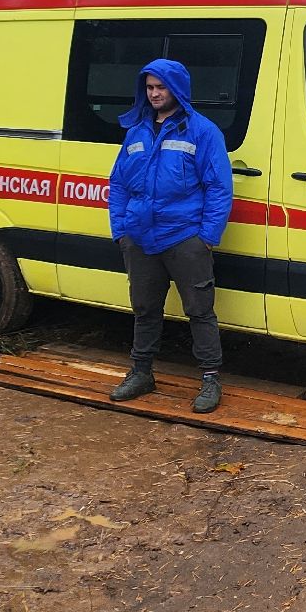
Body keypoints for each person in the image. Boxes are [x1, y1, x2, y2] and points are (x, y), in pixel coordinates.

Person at [105, 59, 234, 413]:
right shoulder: (136, 131)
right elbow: (117, 183)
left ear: (177, 89)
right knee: (145, 309)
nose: (154, 94)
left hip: (183, 237)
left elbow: (219, 187)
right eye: (149, 87)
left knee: (200, 311)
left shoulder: (202, 132)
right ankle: (142, 373)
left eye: (161, 87)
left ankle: (210, 380)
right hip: (140, 238)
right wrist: (121, 230)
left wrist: (205, 237)